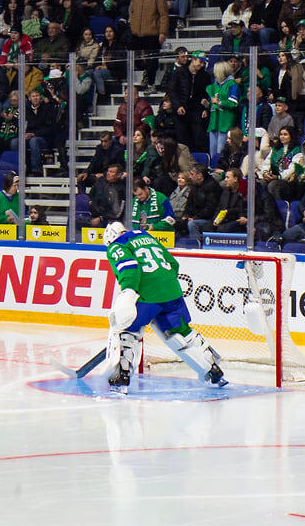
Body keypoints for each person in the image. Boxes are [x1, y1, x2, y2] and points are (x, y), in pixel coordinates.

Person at [102, 221, 228, 393]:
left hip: (146, 294)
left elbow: (129, 269)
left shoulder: (117, 245)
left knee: (127, 331)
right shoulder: (147, 237)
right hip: (172, 290)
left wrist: (129, 293)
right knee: (182, 334)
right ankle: (213, 371)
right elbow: (173, 264)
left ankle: (120, 379)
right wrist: (163, 286)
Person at [128, 0, 168, 92]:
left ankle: (151, 84)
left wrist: (163, 32)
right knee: (131, 55)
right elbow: (132, 12)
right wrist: (132, 25)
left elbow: (164, 15)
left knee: (152, 60)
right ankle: (135, 81)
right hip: (136, 33)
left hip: (152, 34)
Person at [177, 164, 221, 239]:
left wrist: (196, 217)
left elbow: (210, 209)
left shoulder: (213, 187)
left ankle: (195, 244)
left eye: (192, 174)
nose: (190, 177)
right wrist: (186, 215)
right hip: (195, 216)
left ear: (199, 175)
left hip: (209, 219)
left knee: (192, 224)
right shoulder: (194, 186)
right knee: (178, 222)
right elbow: (189, 204)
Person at [210, 168, 246, 233]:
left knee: (223, 228)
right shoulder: (225, 192)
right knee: (210, 227)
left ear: (235, 179)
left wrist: (228, 211)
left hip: (237, 220)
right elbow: (219, 208)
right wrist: (215, 220)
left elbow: (240, 209)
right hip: (225, 220)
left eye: (227, 177)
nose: (225, 180)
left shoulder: (241, 192)